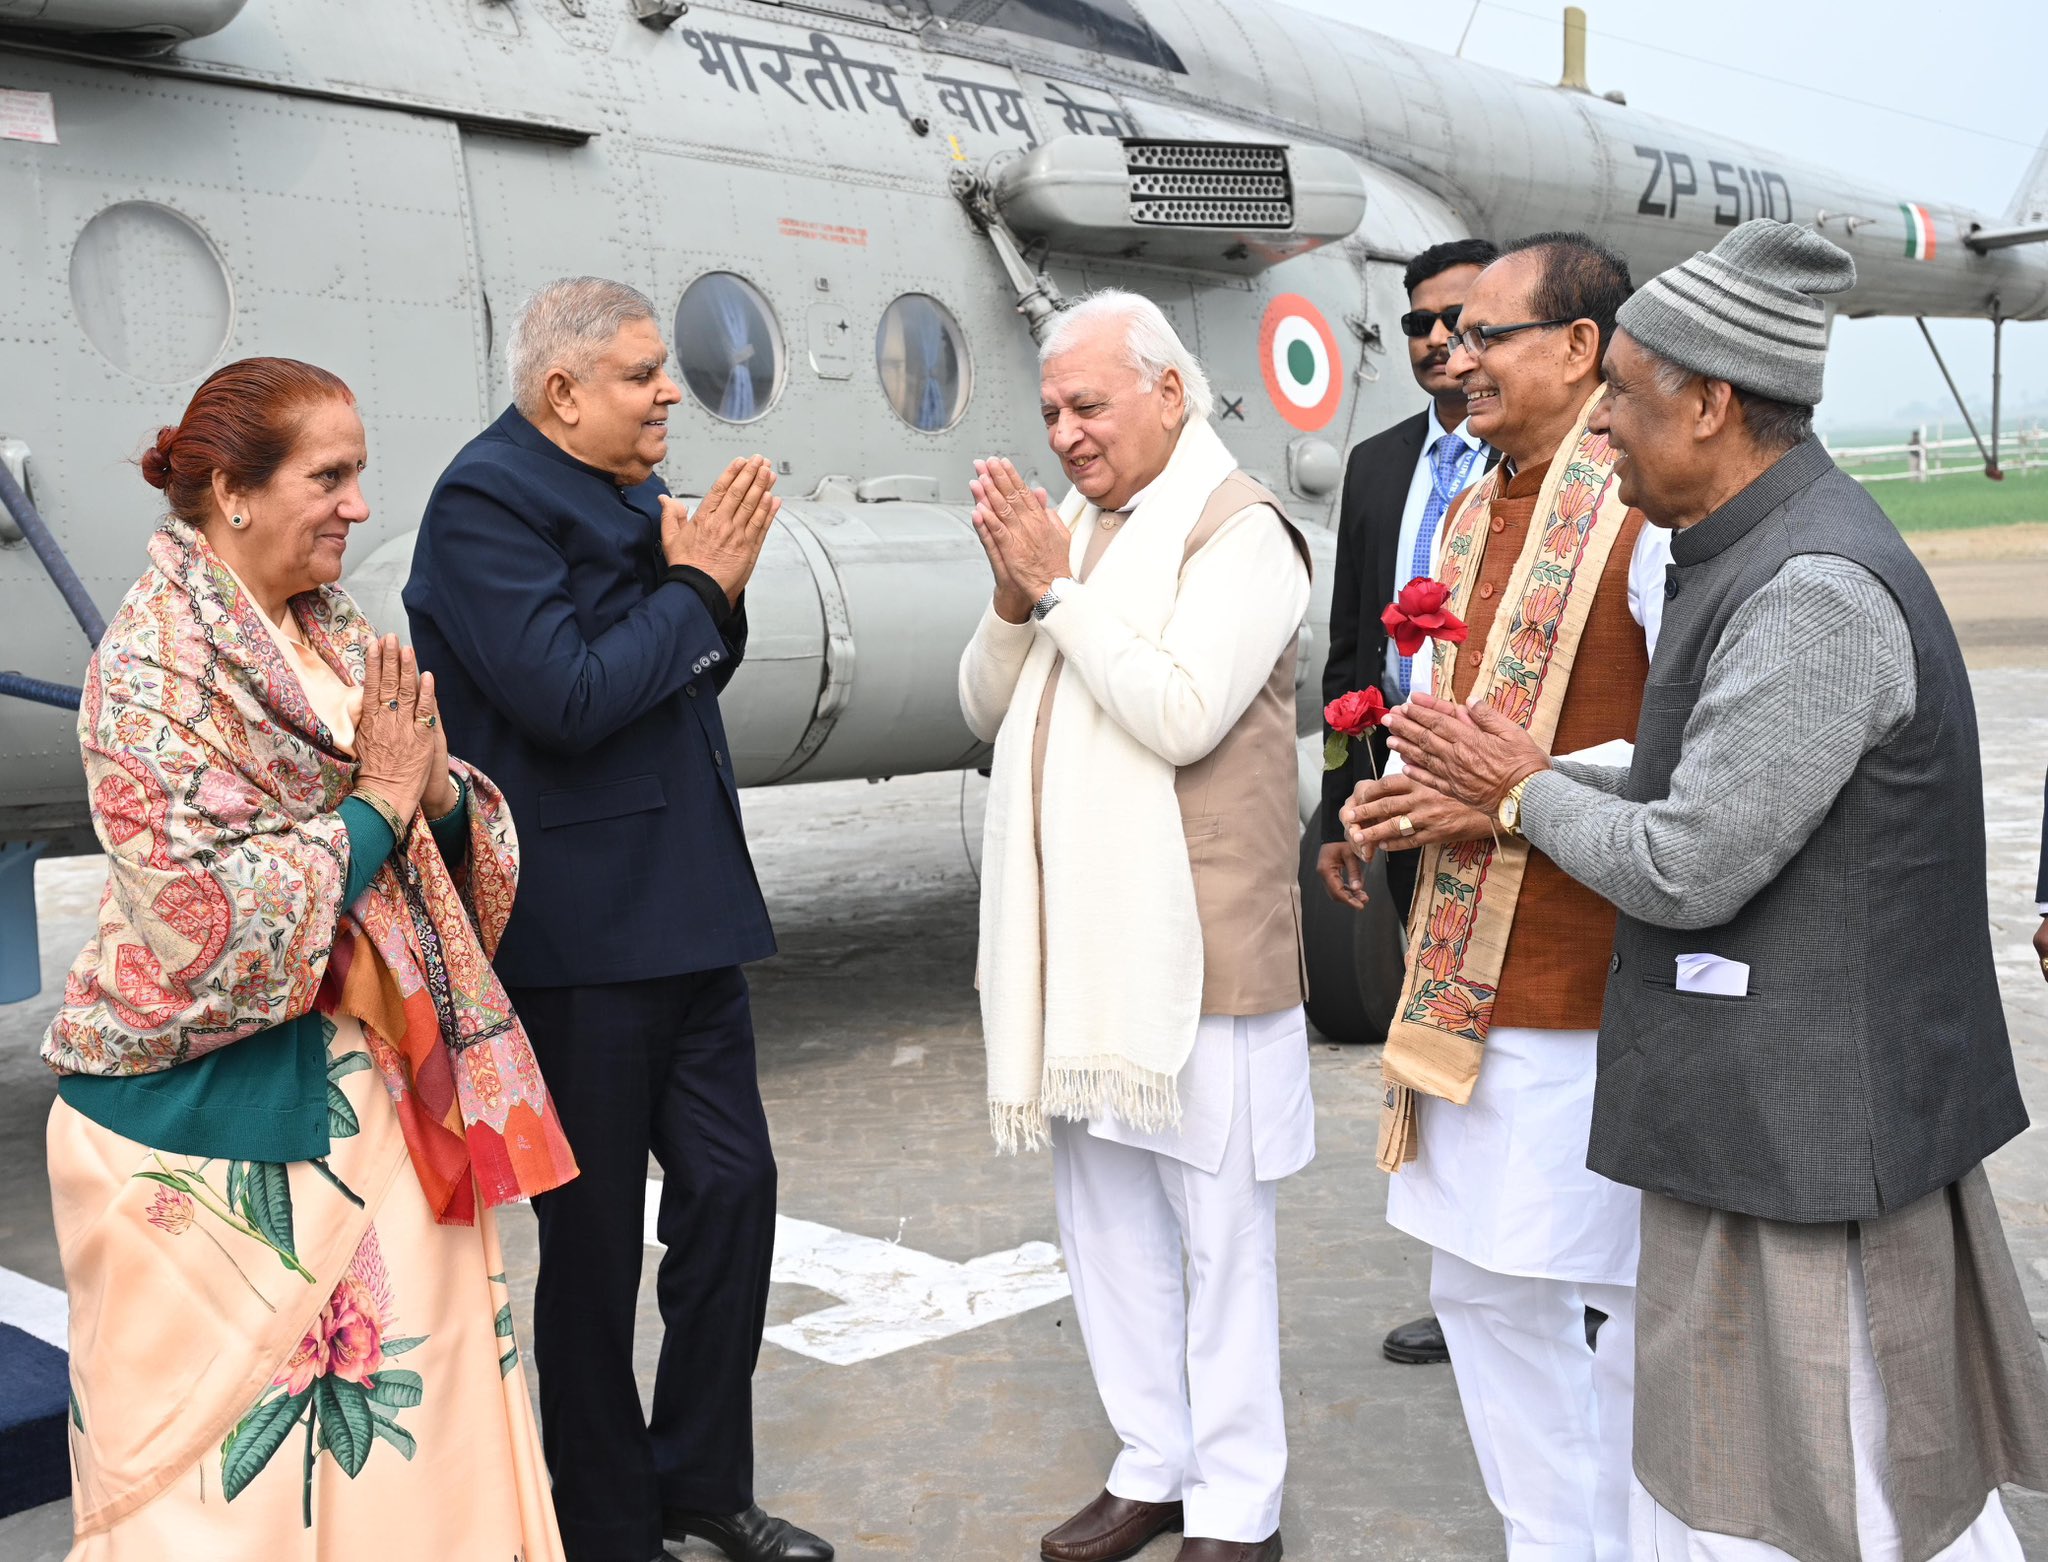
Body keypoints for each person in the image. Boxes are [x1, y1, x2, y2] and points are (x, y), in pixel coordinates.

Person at [1387, 218, 2048, 1562]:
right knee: (1760, 1483)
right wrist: (1550, 774)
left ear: (1712, 400)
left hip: (1817, 1129)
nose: (1606, 429)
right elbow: (1698, 758)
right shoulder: (1739, 541)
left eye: (1624, 396)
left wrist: (1519, 785)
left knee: (1861, 1488)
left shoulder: (1808, 586)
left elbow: (1690, 861)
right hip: (1766, 1108)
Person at [42, 357, 574, 1558]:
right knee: (231, 1495)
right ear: (231, 490)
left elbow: (430, 831)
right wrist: (382, 804)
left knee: (416, 1441)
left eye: (358, 475)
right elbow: (202, 919)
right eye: (328, 477)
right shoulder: (149, 671)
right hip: (216, 1124)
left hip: (376, 1101)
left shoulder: (328, 631)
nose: (356, 504)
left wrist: (437, 794)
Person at [403, 279, 828, 1562]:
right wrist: (696, 594)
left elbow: (688, 655)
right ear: (562, 393)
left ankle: (700, 1476)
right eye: (643, 375)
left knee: (733, 1192)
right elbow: (571, 696)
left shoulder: (630, 492)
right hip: (578, 937)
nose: (667, 395)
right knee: (588, 1249)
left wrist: (709, 596)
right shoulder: (486, 504)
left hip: (688, 911)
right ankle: (604, 1521)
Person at [958, 291, 1313, 1562]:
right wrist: (1016, 597)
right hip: (1081, 944)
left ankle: (1237, 1504)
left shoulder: (1242, 530)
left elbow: (1175, 712)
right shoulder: (1075, 530)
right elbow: (984, 704)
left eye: (1088, 404)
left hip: (1196, 941)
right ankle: (1153, 1459)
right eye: (1050, 408)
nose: (1064, 432)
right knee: (1102, 1221)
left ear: (1169, 391)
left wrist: (1056, 591)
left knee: (1218, 1236)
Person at [1340, 233, 1671, 1562]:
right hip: (1462, 985)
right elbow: (1456, 718)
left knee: (1634, 1302)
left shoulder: (1649, 504)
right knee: (1478, 1288)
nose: (1452, 358)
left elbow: (1703, 745)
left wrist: (1517, 793)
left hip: (1598, 985)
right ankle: (1556, 1540)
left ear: (1583, 350)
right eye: (1447, 336)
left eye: (1484, 335)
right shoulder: (1475, 500)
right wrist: (1392, 788)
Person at [1317, 236, 1497, 1370]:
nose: (1437, 340)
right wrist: (1339, 801)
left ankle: (1552, 1274)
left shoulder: (1541, 458)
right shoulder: (1379, 463)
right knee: (1421, 1040)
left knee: (1513, 1042)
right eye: (1419, 322)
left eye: (1460, 319)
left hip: (1501, 796)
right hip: (1394, 795)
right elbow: (1348, 646)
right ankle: (1464, 1279)